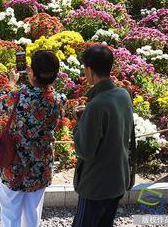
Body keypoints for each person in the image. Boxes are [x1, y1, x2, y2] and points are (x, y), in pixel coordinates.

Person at [0, 50, 66, 227]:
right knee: (33, 213)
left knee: (10, 213)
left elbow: (0, 104)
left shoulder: (19, 96)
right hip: (40, 165)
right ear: (55, 75)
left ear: (32, 72)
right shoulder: (59, 99)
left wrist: (11, 82)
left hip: (14, 163)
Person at [72, 45, 134, 227]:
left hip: (96, 185)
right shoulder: (123, 94)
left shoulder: (96, 105)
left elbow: (85, 151)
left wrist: (79, 124)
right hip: (118, 179)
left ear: (89, 70)